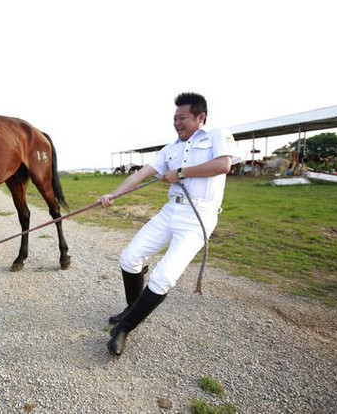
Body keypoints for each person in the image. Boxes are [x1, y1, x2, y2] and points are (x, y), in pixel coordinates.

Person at [99, 92, 241, 357]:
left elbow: (224, 165)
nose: (177, 123)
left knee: (164, 277)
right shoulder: (170, 149)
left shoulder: (217, 135)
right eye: (174, 118)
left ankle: (125, 329)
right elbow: (142, 174)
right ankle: (133, 307)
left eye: (182, 118)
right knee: (129, 258)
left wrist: (181, 173)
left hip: (198, 216)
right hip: (170, 212)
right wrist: (114, 195)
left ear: (201, 117)